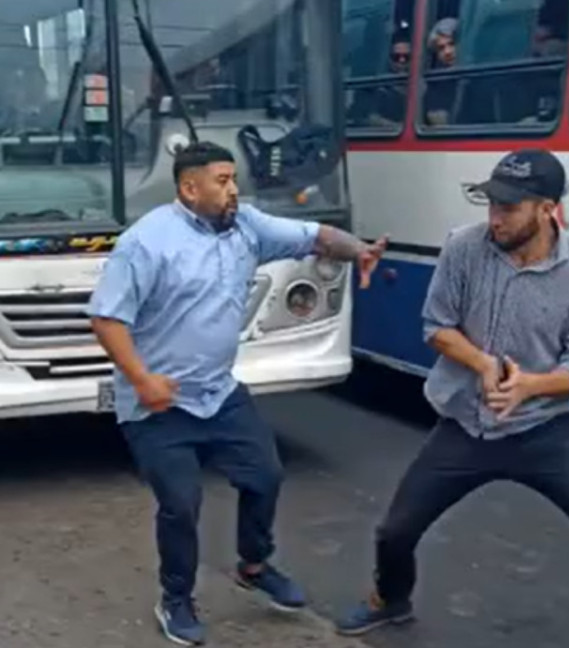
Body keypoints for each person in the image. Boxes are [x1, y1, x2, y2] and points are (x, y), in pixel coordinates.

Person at [86, 141, 386, 646]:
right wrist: (142, 380)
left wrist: (359, 250)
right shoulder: (147, 243)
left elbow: (314, 235)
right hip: (158, 403)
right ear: (189, 187)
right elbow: (106, 317)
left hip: (219, 393)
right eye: (222, 180)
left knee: (264, 475)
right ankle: (175, 598)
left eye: (233, 180)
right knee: (181, 503)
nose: (233, 190)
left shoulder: (246, 224)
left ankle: (253, 564)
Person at [334, 148, 569, 636]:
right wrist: (483, 365)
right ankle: (390, 599)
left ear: (547, 209)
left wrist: (531, 386)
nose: (495, 218)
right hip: (466, 425)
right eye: (491, 205)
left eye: (509, 208)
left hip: (548, 431)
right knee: (395, 532)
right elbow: (436, 327)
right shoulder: (463, 247)